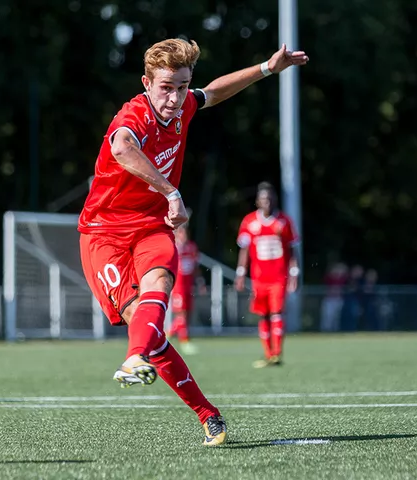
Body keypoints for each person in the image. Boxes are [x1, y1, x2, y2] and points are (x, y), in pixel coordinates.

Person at [78, 38, 309, 446]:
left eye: (182, 87)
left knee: (160, 285)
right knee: (145, 326)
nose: (175, 97)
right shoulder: (134, 116)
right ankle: (205, 409)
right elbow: (122, 147)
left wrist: (266, 68)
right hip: (104, 234)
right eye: (166, 87)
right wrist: (171, 192)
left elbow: (214, 92)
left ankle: (136, 359)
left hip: (151, 226)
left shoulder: (184, 104)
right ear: (146, 83)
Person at [234, 182, 300, 368]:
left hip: (278, 277)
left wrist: (294, 273)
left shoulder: (284, 222)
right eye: (263, 199)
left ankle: (277, 354)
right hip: (259, 278)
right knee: (263, 315)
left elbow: (293, 250)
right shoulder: (249, 222)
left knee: (276, 313)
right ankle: (268, 354)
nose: (267, 202)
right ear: (257, 201)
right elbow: (244, 250)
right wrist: (240, 273)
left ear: (275, 200)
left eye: (270, 199)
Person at [166, 223, 205, 355]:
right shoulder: (173, 247)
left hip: (189, 286)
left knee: (187, 314)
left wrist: (200, 282)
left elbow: (196, 268)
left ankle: (168, 335)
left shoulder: (192, 247)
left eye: (185, 233)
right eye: (181, 233)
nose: (184, 235)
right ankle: (184, 341)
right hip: (178, 286)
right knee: (181, 314)